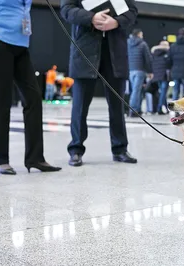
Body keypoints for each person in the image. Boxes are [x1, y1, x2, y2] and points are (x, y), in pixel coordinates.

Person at [0, 0, 61, 175]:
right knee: (2, 99)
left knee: (33, 99)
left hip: (21, 44)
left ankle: (35, 158)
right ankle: (2, 160)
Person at [61, 0, 138, 166]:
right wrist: (91, 17)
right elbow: (66, 9)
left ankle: (120, 149)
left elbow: (132, 11)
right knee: (80, 106)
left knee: (117, 105)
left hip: (115, 53)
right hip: (85, 51)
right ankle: (76, 149)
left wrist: (117, 22)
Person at [127, 29, 153, 117]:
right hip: (140, 70)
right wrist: (150, 71)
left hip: (131, 70)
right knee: (136, 91)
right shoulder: (143, 44)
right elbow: (148, 58)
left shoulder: (128, 43)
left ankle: (137, 109)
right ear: (139, 35)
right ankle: (133, 110)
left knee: (137, 90)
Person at [151, 40, 170, 114]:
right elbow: (168, 63)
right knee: (163, 93)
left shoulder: (154, 53)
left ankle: (165, 108)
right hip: (164, 75)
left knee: (162, 92)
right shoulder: (167, 53)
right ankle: (159, 108)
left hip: (157, 75)